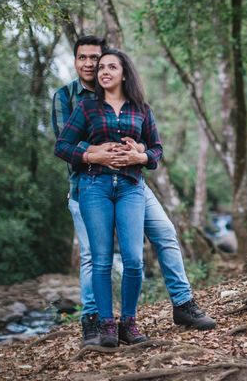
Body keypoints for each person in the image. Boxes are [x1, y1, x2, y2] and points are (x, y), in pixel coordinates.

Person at [51, 37, 215, 347]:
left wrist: (140, 154)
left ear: (124, 72)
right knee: (96, 259)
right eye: (90, 62)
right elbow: (63, 143)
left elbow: (154, 148)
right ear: (77, 62)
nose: (96, 68)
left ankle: (160, 312)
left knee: (144, 251)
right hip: (91, 185)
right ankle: (99, 324)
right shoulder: (75, 101)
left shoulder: (140, 109)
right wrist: (93, 153)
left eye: (105, 63)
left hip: (131, 185)